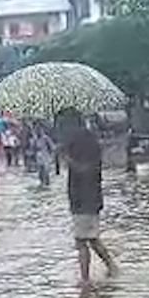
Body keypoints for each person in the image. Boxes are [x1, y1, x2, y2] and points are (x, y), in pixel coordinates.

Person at [60, 109, 117, 281]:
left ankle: (85, 280)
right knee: (91, 239)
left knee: (82, 240)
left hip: (85, 197)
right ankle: (111, 267)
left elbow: (87, 170)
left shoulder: (82, 141)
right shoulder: (86, 139)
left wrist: (68, 160)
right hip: (86, 197)